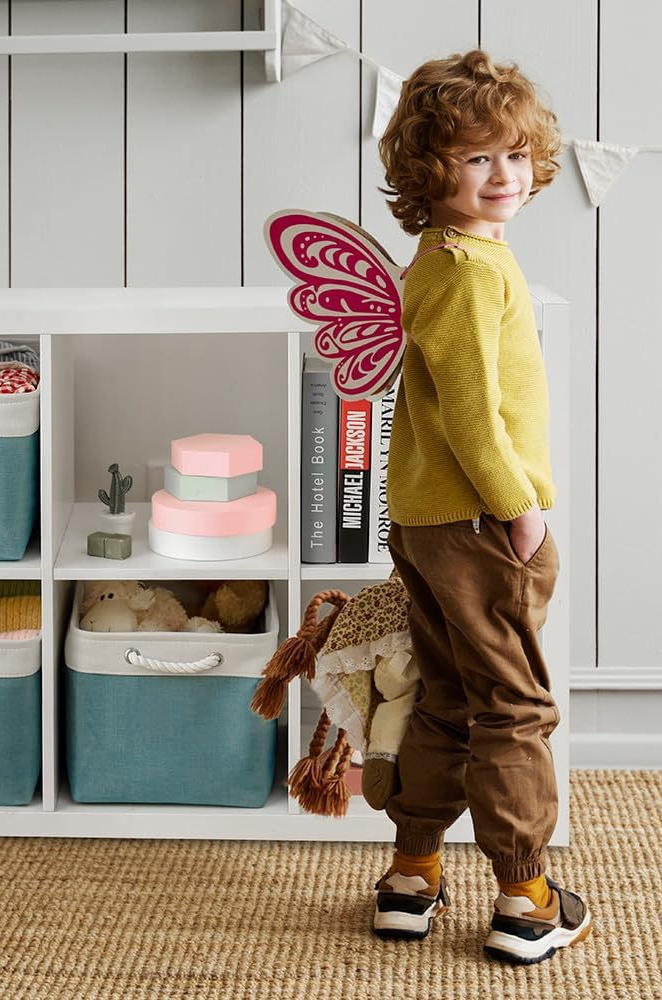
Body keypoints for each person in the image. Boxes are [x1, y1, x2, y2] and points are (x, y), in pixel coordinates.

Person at [372, 49, 590, 965]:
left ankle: (411, 875)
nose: (504, 175)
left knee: (450, 699)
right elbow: (470, 412)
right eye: (475, 157)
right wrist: (518, 507)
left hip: (428, 521)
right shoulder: (470, 271)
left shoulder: (439, 261)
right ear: (432, 169)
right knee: (514, 707)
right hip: (479, 521)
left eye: (515, 154)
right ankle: (526, 899)